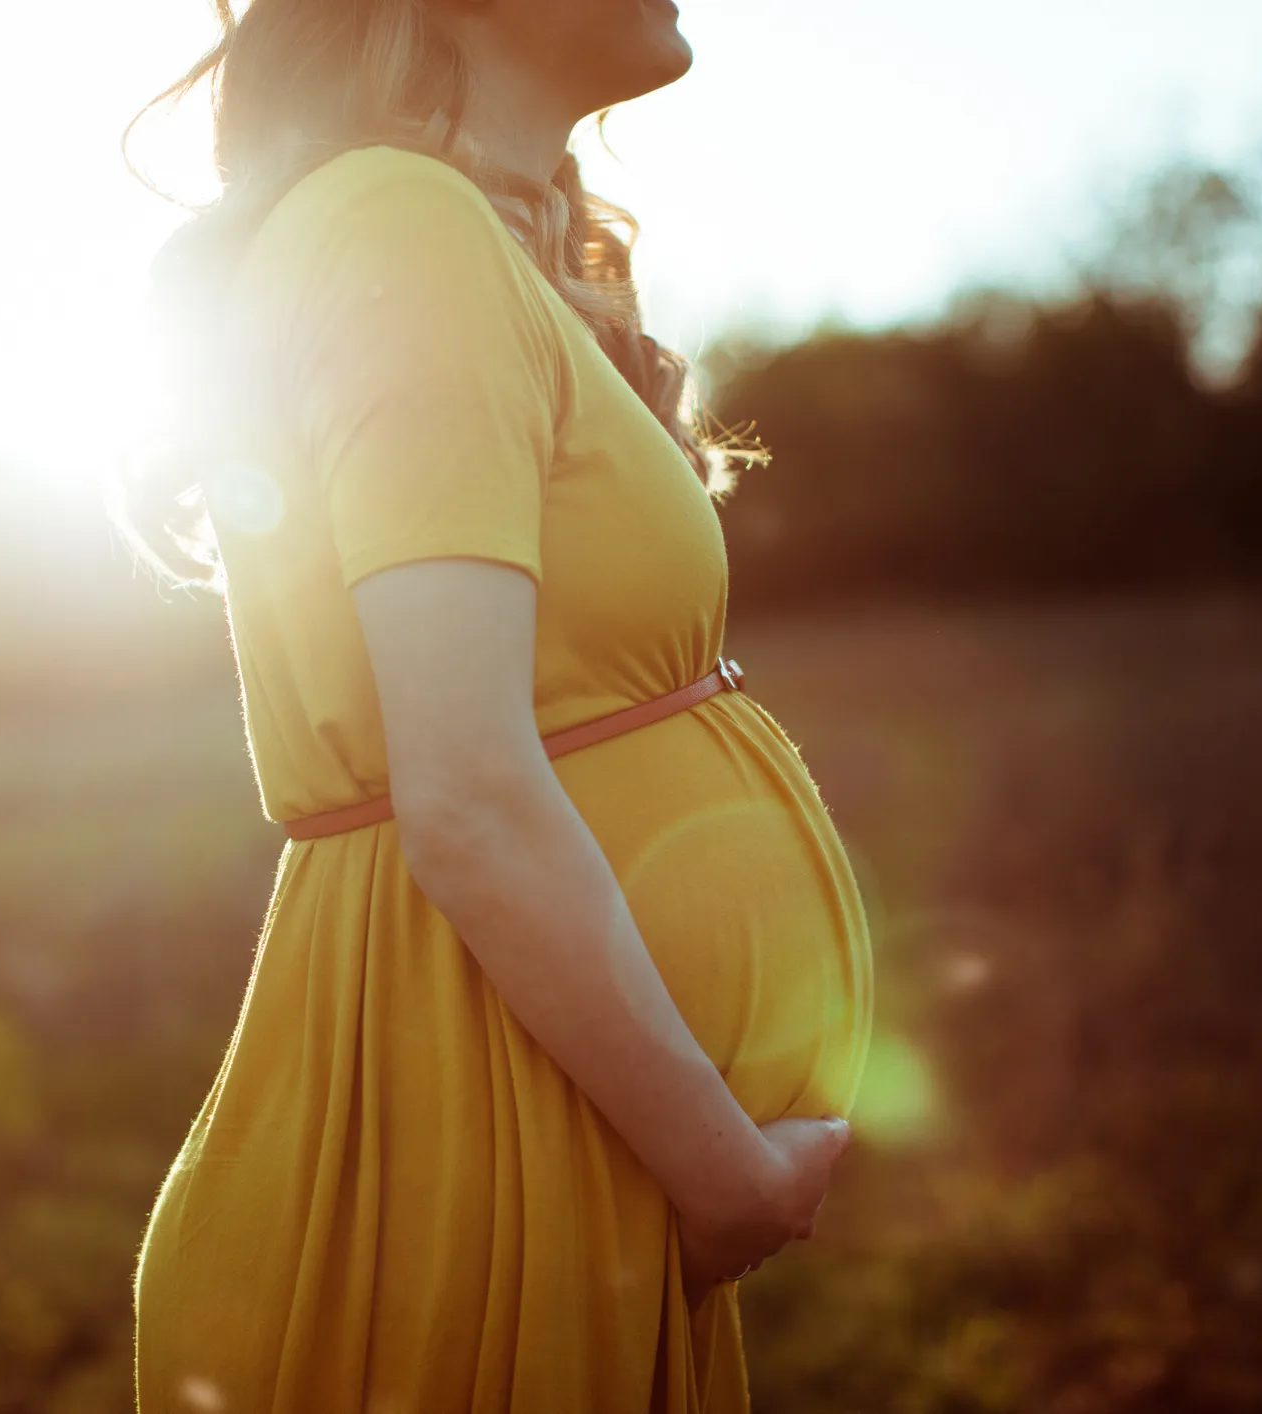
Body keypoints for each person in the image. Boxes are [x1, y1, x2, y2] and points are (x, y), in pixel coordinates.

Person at [106, 1, 874, 1409]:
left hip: (543, 1099)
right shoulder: (401, 228)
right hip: (491, 1104)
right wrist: (728, 1173)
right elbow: (460, 788)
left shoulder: (453, 236)